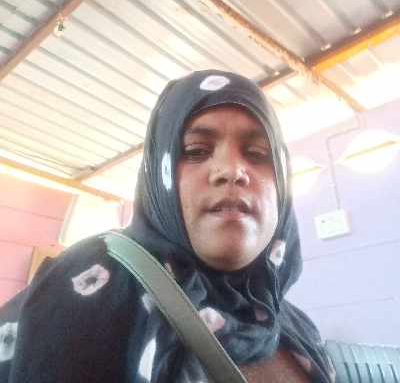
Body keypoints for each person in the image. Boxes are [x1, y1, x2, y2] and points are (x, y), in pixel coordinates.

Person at [0, 70, 335, 382]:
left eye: (258, 153)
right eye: (196, 151)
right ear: (158, 175)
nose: (232, 170)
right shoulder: (89, 289)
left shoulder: (297, 329)